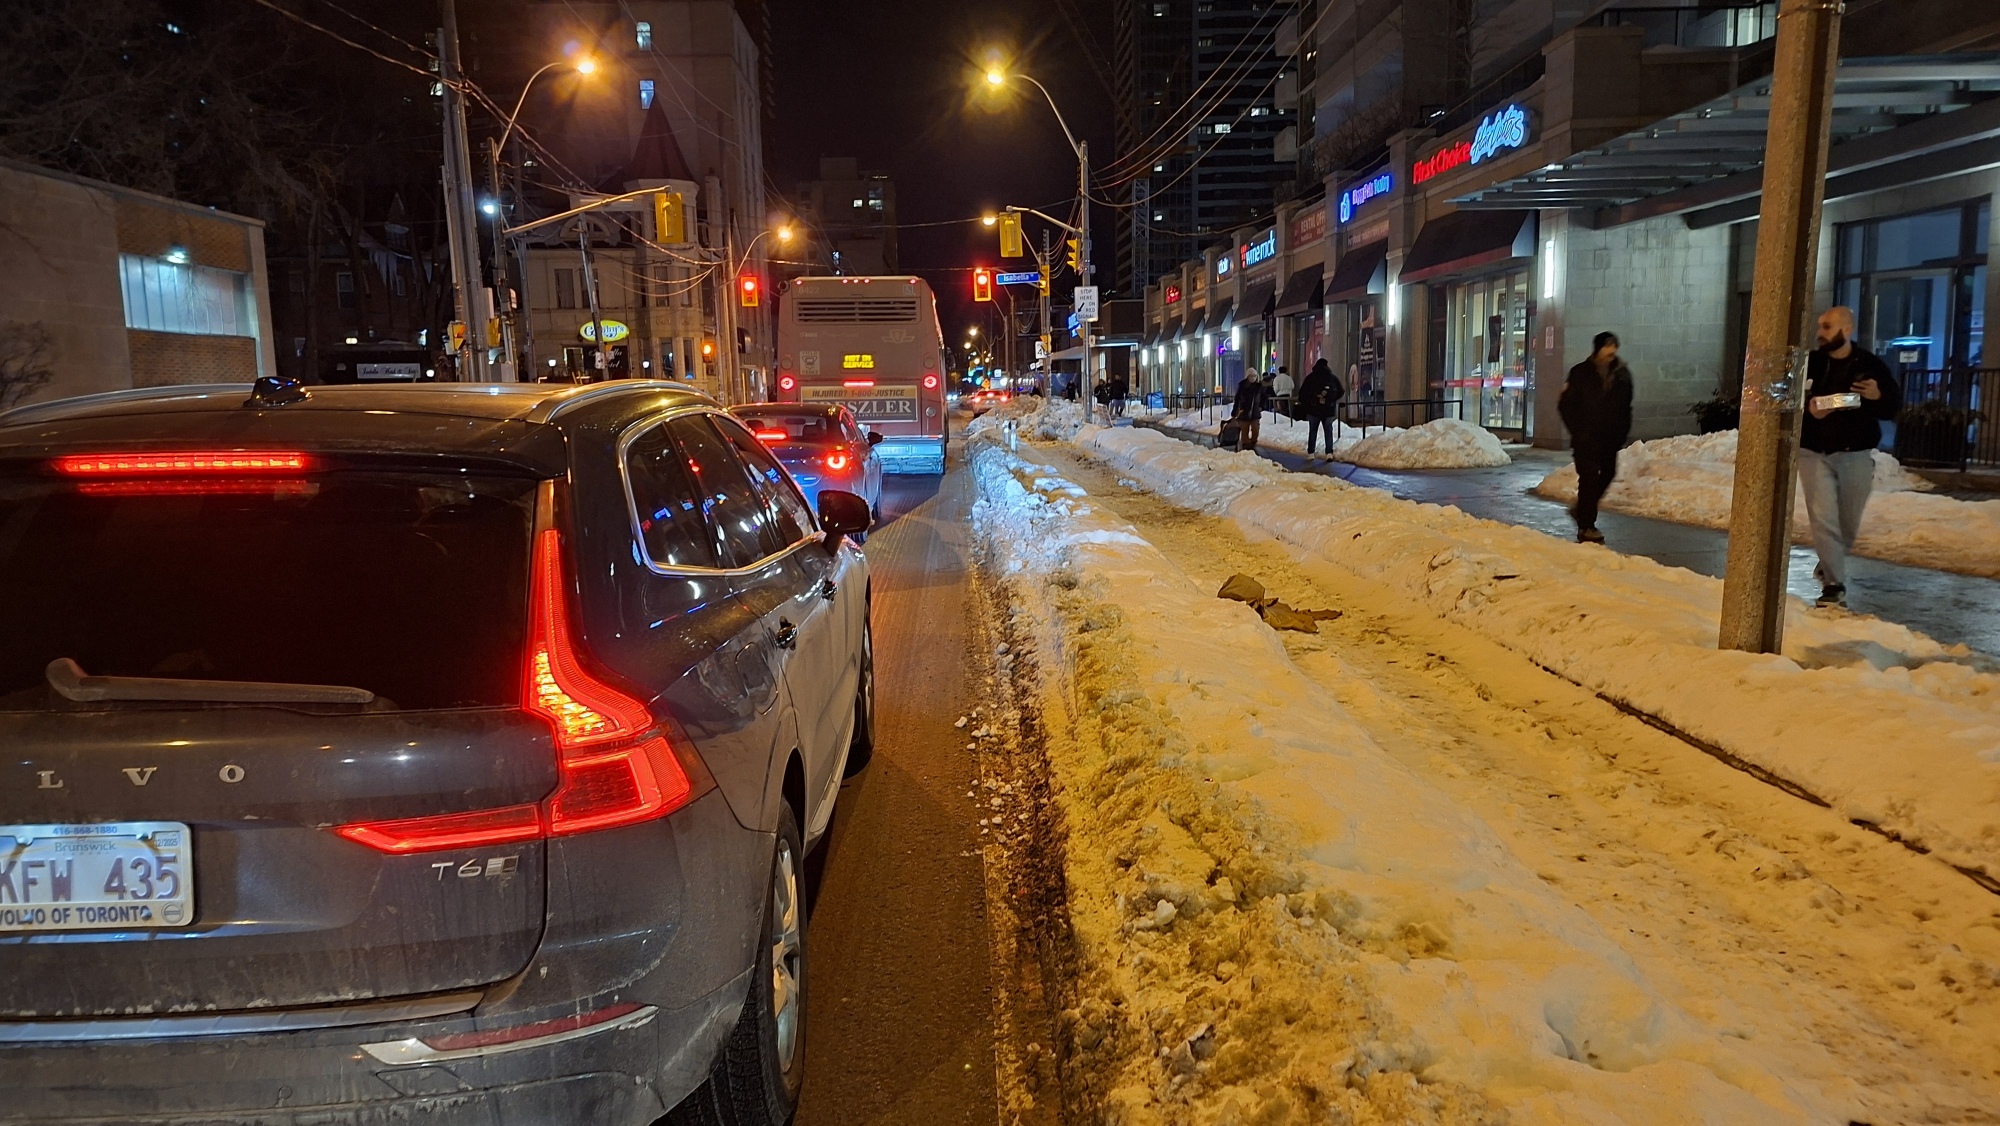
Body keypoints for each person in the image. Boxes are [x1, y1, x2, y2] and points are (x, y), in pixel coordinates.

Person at [1799, 306, 1900, 608]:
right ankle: (1834, 584)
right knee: (1823, 518)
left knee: (1848, 522)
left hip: (1855, 454)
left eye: (1827, 327)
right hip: (1813, 452)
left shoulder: (1869, 365)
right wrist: (1813, 407)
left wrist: (1876, 396)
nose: (1820, 333)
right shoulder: (1811, 363)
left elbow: (1891, 407)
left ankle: (1829, 562)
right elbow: (1795, 399)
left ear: (1847, 329)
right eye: (1820, 326)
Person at [1557, 331, 1635, 544]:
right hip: (1586, 438)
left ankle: (1582, 509)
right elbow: (1566, 405)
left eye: (1614, 345)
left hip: (1610, 438)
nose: (1612, 350)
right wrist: (1578, 431)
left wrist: (1622, 432)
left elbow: (1626, 407)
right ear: (1598, 348)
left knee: (1608, 473)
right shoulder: (1580, 373)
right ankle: (1586, 526)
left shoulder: (1622, 374)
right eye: (1607, 346)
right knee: (1589, 478)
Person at [1296, 358, 1343, 462]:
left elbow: (1302, 394)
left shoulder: (1311, 378)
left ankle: (1311, 452)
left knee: (1313, 431)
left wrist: (1308, 404)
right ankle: (1329, 453)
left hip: (1314, 410)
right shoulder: (1332, 378)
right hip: (1328, 410)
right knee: (1328, 431)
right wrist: (1332, 400)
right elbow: (1341, 391)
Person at [1231, 372, 1270, 451]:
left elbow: (1264, 397)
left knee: (1255, 429)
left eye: (1255, 376)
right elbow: (1237, 399)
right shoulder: (1242, 386)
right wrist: (1235, 411)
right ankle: (1246, 445)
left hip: (1255, 411)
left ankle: (1252, 442)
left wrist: (1261, 406)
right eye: (1251, 376)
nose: (1253, 378)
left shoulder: (1259, 387)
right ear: (1247, 376)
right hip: (1244, 411)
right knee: (1245, 429)